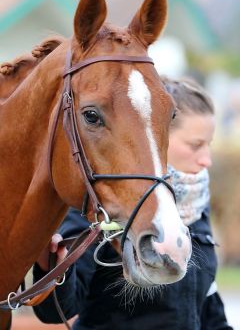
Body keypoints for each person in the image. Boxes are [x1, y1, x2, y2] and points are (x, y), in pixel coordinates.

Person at [33, 78, 233, 330]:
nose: (207, 160)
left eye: (209, 145)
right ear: (159, 140)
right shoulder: (102, 202)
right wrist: (53, 267)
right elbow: (56, 311)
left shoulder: (196, 203)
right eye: (196, 145)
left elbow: (207, 311)